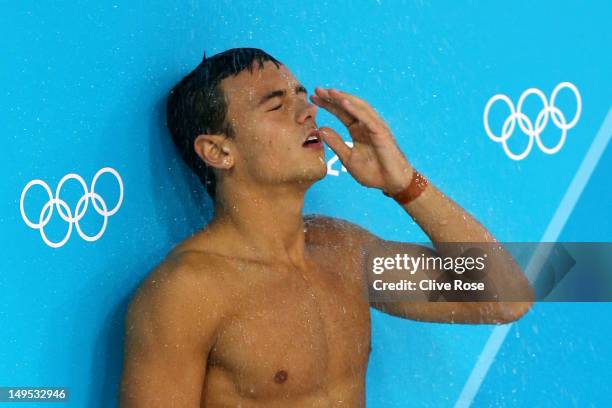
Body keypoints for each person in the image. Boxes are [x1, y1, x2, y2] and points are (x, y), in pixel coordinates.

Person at [119, 48, 533, 407]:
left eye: (302, 95)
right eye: (276, 104)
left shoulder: (343, 252)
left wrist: (404, 183)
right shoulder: (188, 292)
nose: (308, 111)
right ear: (218, 150)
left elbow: (505, 298)